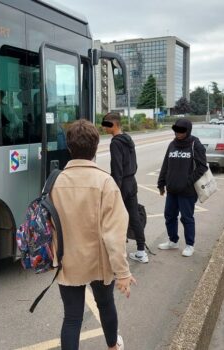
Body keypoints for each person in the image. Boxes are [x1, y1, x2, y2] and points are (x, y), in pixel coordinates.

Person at [51, 119, 136, 350]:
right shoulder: (105, 182)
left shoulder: (54, 182)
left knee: (72, 318)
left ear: (69, 148)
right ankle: (112, 346)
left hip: (67, 260)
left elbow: (48, 226)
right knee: (106, 305)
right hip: (99, 261)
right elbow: (114, 235)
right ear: (97, 146)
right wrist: (123, 273)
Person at [102, 112, 148, 264]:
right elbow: (134, 164)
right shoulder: (128, 139)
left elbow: (117, 169)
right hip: (132, 182)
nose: (104, 128)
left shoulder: (115, 142)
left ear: (114, 124)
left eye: (106, 125)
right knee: (134, 216)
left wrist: (115, 190)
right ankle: (141, 251)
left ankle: (117, 253)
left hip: (121, 184)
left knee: (115, 219)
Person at [157, 118, 208, 257]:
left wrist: (188, 181)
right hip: (172, 189)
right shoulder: (172, 144)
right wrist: (161, 183)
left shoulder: (195, 144)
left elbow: (202, 166)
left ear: (188, 130)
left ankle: (190, 245)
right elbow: (166, 165)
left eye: (181, 130)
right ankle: (173, 241)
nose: (178, 133)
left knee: (186, 218)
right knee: (169, 216)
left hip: (187, 191)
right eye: (176, 130)